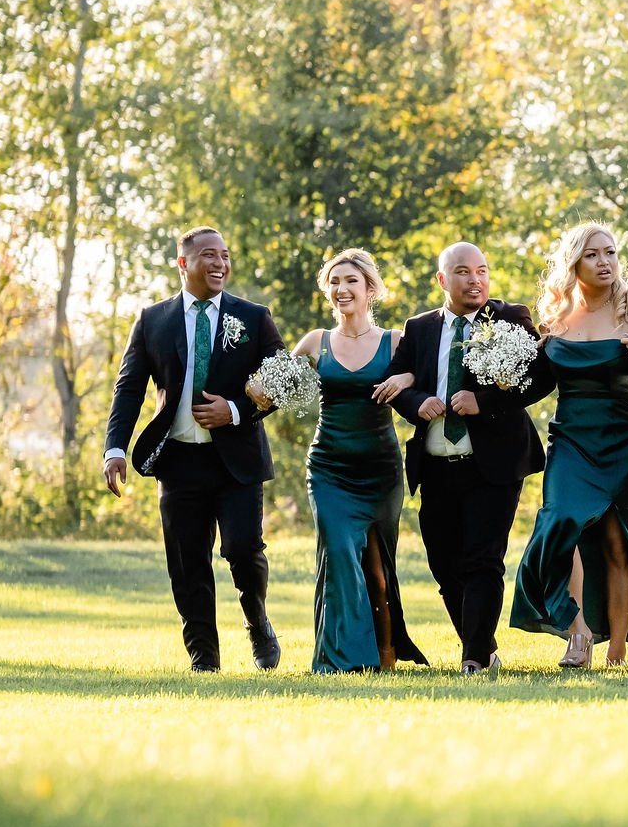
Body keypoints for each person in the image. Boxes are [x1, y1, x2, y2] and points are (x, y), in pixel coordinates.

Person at [103, 226, 284, 672]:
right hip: (179, 461)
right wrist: (115, 449)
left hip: (237, 461)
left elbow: (284, 381)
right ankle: (204, 659)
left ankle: (257, 621)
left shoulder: (254, 317)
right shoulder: (152, 320)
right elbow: (129, 388)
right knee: (187, 566)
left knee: (243, 550)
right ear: (183, 264)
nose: (220, 263)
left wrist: (237, 410)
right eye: (209, 256)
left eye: (225, 255)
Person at [508, 223, 628, 667]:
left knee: (617, 542)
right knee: (561, 523)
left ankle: (618, 650)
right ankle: (579, 632)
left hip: (625, 437)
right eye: (593, 255)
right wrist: (500, 386)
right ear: (574, 263)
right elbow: (538, 386)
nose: (605, 262)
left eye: (610, 253)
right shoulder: (553, 319)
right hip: (571, 438)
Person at [252, 249, 427, 673]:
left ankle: (385, 654)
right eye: (334, 282)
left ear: (370, 289)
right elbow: (267, 391)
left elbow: (427, 377)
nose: (341, 289)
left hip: (381, 469)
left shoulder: (396, 343)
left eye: (351, 281)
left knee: (378, 566)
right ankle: (339, 659)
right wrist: (257, 386)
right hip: (329, 467)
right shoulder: (316, 341)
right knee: (338, 553)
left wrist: (406, 376)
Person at [376, 242, 546, 675]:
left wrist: (484, 401)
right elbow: (394, 382)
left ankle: (471, 659)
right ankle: (485, 649)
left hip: (495, 464)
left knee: (482, 560)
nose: (476, 280)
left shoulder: (510, 317)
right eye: (464, 272)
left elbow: (540, 379)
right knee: (444, 564)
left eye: (482, 271)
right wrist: (418, 403)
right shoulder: (419, 327)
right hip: (435, 464)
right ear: (442, 280)